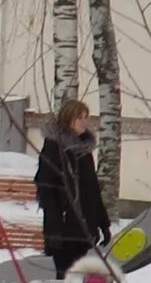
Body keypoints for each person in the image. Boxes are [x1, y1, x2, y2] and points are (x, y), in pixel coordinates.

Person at [34, 100, 109, 270]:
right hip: (64, 228)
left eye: (85, 118)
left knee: (81, 280)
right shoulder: (54, 148)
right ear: (68, 119)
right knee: (65, 279)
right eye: (79, 118)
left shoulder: (83, 150)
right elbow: (47, 188)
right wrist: (54, 227)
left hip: (84, 227)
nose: (84, 122)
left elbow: (92, 190)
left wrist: (103, 223)